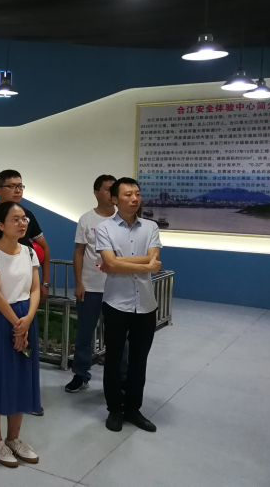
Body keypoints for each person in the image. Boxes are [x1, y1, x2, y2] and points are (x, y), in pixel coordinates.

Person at [0, 170, 50, 415]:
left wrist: (26, 318)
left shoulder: (28, 225)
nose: (18, 190)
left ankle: (22, 402)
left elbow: (41, 252)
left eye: (20, 186)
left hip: (22, 302)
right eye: (12, 186)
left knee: (21, 358)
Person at [0, 202, 42, 468]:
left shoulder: (29, 251)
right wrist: (17, 325)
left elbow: (35, 289)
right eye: (15, 219)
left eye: (24, 219)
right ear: (1, 225)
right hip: (0, 318)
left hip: (25, 315)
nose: (22, 223)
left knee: (21, 376)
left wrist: (28, 320)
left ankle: (14, 439)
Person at [96, 177, 162, 433]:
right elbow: (110, 264)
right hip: (116, 303)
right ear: (114, 199)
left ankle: (133, 409)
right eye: (128, 194)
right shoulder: (104, 228)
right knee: (113, 359)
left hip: (146, 304)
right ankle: (114, 409)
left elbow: (154, 262)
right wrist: (143, 263)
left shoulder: (151, 227)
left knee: (139, 360)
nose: (135, 198)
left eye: (137, 194)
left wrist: (118, 263)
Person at [65, 174, 118, 393]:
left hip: (118, 288)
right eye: (107, 189)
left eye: (114, 189)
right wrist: (79, 283)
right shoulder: (86, 219)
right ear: (96, 193)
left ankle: (119, 379)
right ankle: (80, 374)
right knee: (84, 335)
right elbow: (78, 252)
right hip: (91, 287)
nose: (112, 193)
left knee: (118, 337)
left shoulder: (124, 219)